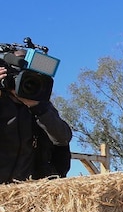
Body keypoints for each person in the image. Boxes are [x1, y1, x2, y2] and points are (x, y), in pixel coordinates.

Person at [0, 51, 73, 184]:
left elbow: (63, 138)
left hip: (26, 191)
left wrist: (37, 108)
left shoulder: (41, 106)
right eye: (17, 74)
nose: (24, 82)